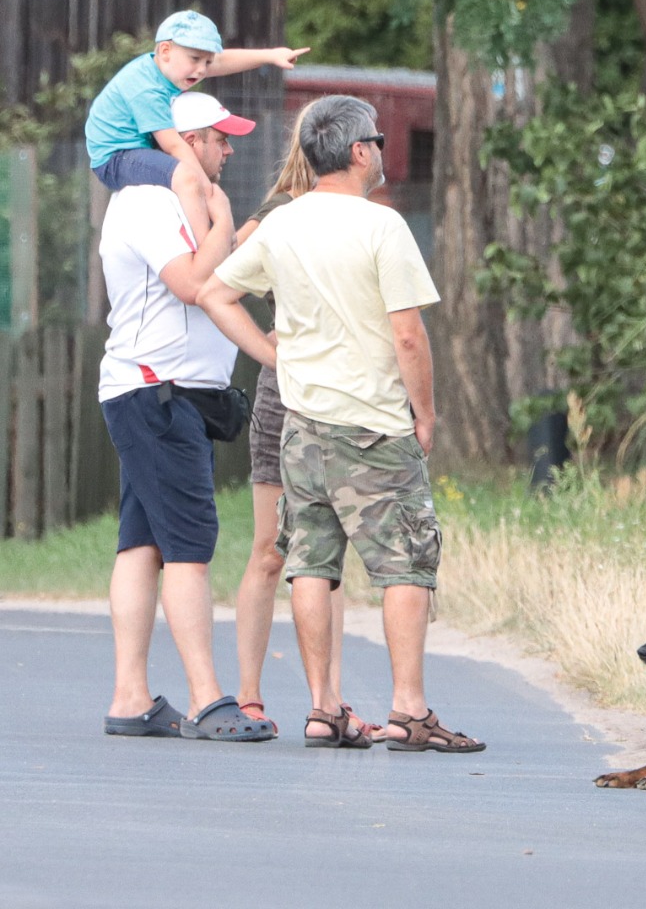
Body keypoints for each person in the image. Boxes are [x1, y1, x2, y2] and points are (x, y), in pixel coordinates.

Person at [200, 95, 483, 753]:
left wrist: (273, 354)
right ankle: (409, 710)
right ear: (360, 152)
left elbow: (215, 292)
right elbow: (408, 335)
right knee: (405, 565)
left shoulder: (282, 225)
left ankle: (323, 708)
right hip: (373, 424)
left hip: (304, 426)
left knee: (311, 563)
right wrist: (426, 412)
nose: (382, 152)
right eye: (378, 142)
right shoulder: (380, 227)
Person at [99, 91, 272, 742]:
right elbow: (197, 284)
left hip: (173, 394)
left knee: (142, 544)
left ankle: (130, 697)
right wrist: (223, 217)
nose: (228, 150)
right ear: (185, 141)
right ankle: (208, 699)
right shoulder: (149, 202)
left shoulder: (186, 204)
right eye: (219, 139)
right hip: (157, 393)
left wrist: (229, 222)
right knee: (190, 545)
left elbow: (218, 268)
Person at [230, 107, 379, 741]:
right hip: (285, 388)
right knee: (271, 548)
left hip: (340, 388)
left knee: (326, 550)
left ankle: (329, 700)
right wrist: (275, 334)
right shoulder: (285, 204)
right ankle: (247, 696)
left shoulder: (358, 208)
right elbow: (235, 259)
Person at [85, 9, 307, 246]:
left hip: (136, 148)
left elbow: (223, 61)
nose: (202, 69)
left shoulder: (175, 67)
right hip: (115, 157)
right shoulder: (146, 88)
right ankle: (206, 246)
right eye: (195, 59)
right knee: (187, 178)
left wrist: (270, 56)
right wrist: (208, 193)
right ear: (165, 51)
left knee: (189, 177)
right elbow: (173, 145)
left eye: (207, 61)